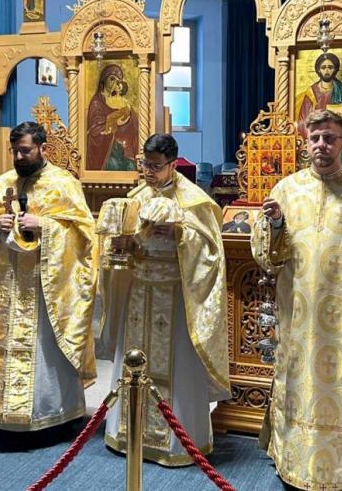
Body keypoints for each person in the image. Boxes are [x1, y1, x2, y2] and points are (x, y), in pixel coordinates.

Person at [252, 110, 342, 490]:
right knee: (297, 382)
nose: (322, 145)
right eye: (315, 137)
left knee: (341, 388)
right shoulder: (286, 190)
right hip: (298, 311)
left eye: (330, 138)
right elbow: (268, 256)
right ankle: (293, 459)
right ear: (306, 141)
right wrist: (274, 224)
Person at [100, 133, 230, 466]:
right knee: (134, 362)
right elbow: (123, 242)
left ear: (173, 164)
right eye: (145, 164)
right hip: (139, 292)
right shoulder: (136, 197)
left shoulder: (194, 200)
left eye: (156, 166)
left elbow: (212, 252)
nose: (149, 172)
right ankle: (128, 435)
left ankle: (176, 444)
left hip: (175, 296)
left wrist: (180, 234)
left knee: (176, 368)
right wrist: (122, 244)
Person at [0, 121, 96, 433]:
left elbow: (85, 235)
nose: (18, 157)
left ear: (43, 148)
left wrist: (46, 226)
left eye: (25, 151)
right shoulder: (4, 182)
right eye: (14, 151)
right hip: (7, 283)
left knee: (43, 349)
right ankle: (3, 413)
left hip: (44, 287)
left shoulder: (63, 183)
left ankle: (50, 415)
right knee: (6, 345)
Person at [296, 52, 342, 171]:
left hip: (335, 134)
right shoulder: (311, 92)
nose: (327, 71)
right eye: (323, 67)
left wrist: (341, 111)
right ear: (318, 70)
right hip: (316, 134)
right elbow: (302, 120)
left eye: (330, 67)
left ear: (335, 69)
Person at [86, 63, 138, 171]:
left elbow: (133, 124)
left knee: (131, 167)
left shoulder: (120, 102)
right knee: (114, 166)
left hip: (120, 146)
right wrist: (115, 124)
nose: (114, 83)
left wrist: (128, 119)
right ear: (104, 79)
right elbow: (94, 130)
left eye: (117, 81)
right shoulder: (97, 102)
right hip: (105, 151)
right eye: (112, 79)